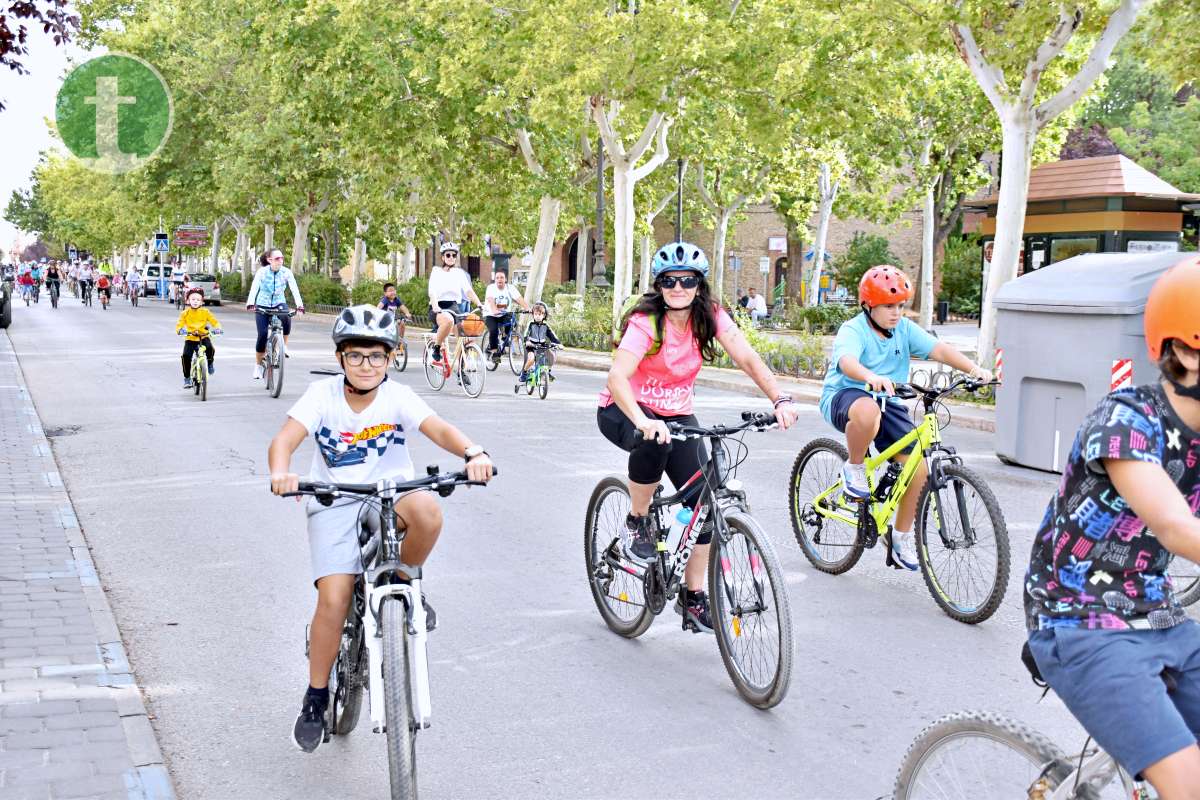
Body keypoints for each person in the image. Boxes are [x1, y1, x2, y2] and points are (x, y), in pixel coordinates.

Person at [267, 305, 494, 752]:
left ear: (390, 359)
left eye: (376, 356)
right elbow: (285, 440)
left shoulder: (398, 396)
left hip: (390, 493)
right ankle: (316, 697)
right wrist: (281, 472)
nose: (366, 365)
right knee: (333, 598)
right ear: (340, 360)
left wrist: (473, 452)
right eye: (355, 356)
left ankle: (403, 581)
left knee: (428, 510)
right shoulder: (321, 395)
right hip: (334, 500)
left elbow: (438, 429)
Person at [1024, 259, 1200, 799]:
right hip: (1077, 619)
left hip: (1158, 611)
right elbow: (1173, 526)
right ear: (1186, 352)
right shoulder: (1127, 420)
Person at [598, 241, 799, 633]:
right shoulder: (646, 322)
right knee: (655, 441)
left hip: (676, 414)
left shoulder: (710, 316)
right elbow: (617, 377)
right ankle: (637, 520)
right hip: (624, 410)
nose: (678, 287)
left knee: (703, 499)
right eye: (670, 280)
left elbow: (747, 357)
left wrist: (781, 397)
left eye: (687, 280)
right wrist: (642, 419)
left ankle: (693, 598)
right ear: (659, 285)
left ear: (699, 284)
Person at [819, 265, 992, 570]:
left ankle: (899, 538)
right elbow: (846, 362)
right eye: (888, 306)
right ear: (868, 305)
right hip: (847, 397)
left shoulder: (903, 330)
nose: (896, 313)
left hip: (889, 401)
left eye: (900, 306)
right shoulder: (854, 330)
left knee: (921, 467)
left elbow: (939, 349)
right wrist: (870, 376)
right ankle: (855, 466)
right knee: (868, 411)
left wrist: (974, 370)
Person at [246, 249, 305, 380]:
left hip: (279, 302)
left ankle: (284, 346)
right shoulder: (262, 272)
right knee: (262, 334)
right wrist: (250, 303)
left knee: (286, 316)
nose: (281, 261)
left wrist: (300, 306)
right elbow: (255, 287)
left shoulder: (286, 272)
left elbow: (294, 288)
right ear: (269, 260)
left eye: (282, 258)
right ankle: (258, 366)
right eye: (277, 258)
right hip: (262, 304)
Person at [427, 242, 482, 363]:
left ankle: (461, 371)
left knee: (463, 336)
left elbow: (468, 291)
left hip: (454, 306)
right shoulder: (436, 271)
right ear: (443, 257)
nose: (451, 257)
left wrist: (479, 304)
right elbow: (432, 292)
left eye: (454, 255)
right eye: (448, 255)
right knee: (449, 320)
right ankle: (436, 348)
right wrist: (435, 306)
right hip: (438, 307)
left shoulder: (459, 273)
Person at [176, 288, 222, 388]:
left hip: (203, 337)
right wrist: (180, 330)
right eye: (193, 299)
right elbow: (179, 325)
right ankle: (187, 378)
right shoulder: (184, 313)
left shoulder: (206, 312)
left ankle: (210, 363)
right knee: (186, 356)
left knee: (210, 348)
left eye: (198, 300)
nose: (195, 301)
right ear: (188, 300)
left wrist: (218, 328)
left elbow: (214, 322)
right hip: (190, 338)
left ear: (202, 302)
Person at [482, 270, 530, 356]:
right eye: (497, 278)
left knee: (512, 321)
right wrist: (494, 310)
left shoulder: (510, 288)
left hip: (504, 314)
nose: (499, 280)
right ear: (495, 279)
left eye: (502, 277)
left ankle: (505, 337)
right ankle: (494, 353)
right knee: (493, 330)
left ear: (505, 279)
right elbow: (490, 299)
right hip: (490, 314)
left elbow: (519, 298)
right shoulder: (491, 288)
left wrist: (527, 308)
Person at [517, 301, 561, 384]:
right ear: (533, 314)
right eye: (535, 314)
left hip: (542, 345)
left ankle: (547, 372)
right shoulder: (531, 324)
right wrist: (527, 341)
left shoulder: (545, 325)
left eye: (540, 314)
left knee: (552, 357)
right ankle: (524, 373)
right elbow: (526, 334)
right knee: (531, 359)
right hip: (531, 345)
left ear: (544, 315)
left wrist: (558, 343)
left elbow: (552, 335)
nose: (537, 316)